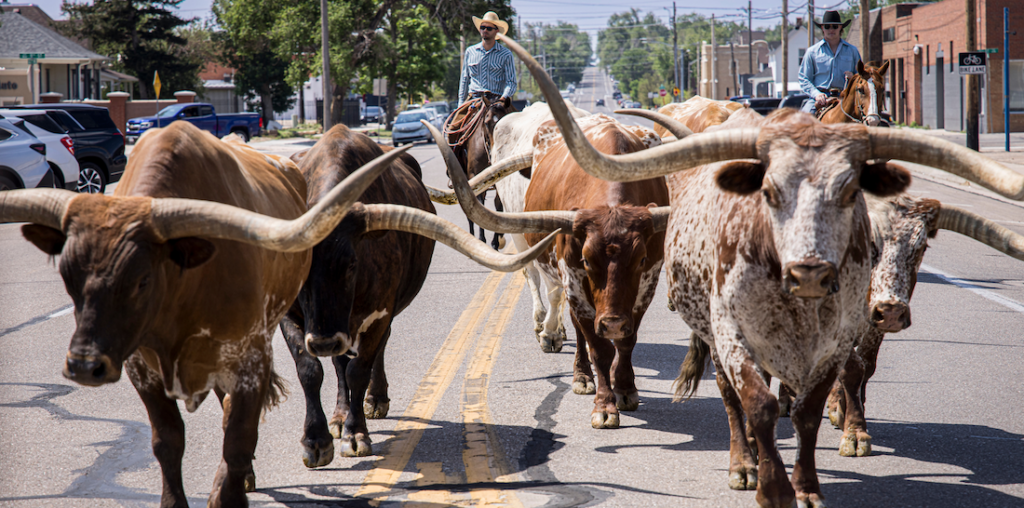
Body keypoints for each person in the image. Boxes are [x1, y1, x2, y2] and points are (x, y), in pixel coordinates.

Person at [798, 10, 862, 114]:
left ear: (840, 27)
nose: (831, 29)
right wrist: (816, 94)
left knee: (866, 118)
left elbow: (862, 76)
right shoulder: (812, 52)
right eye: (827, 26)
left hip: (845, 97)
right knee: (803, 120)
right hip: (820, 98)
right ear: (822, 28)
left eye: (835, 26)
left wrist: (854, 78)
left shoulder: (852, 51)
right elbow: (804, 78)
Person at [457, 11, 517, 107]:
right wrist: (460, 103)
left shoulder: (506, 54)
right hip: (473, 100)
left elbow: (511, 83)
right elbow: (464, 80)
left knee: (513, 121)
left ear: (496, 31)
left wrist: (503, 98)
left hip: (496, 101)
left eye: (489, 28)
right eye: (482, 27)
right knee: (455, 121)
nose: (485, 30)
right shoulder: (470, 51)